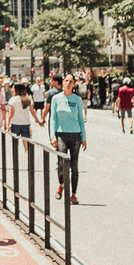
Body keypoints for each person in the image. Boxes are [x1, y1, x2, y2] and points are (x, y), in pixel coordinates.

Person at [47, 73, 88, 203]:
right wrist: (52, 136)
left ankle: (74, 194)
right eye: (66, 81)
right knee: (61, 164)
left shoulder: (77, 100)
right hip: (61, 134)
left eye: (71, 81)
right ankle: (61, 185)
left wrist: (84, 137)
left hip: (75, 134)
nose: (68, 83)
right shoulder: (56, 98)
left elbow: (81, 119)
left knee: (74, 166)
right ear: (63, 82)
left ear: (74, 84)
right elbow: (53, 118)